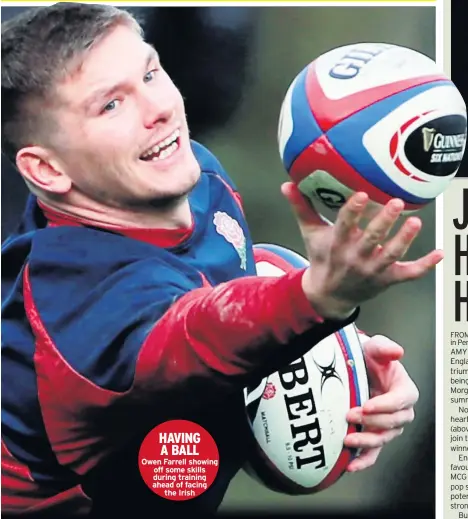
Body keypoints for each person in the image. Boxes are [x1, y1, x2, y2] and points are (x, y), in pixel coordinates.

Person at [1, 3, 440, 517]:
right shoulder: (79, 315)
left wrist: (346, 355)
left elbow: (217, 296)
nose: (159, 109)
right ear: (47, 170)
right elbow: (190, 337)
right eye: (111, 105)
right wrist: (315, 299)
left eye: (149, 72)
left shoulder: (188, 176)